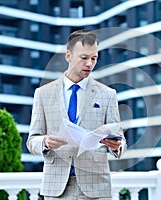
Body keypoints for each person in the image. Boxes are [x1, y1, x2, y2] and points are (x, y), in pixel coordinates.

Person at [27, 29, 126, 200]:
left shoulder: (107, 94)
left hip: (96, 188)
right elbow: (31, 141)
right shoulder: (43, 93)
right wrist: (45, 141)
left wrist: (117, 146)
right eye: (84, 58)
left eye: (94, 58)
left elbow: (120, 141)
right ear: (68, 56)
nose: (89, 64)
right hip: (56, 188)